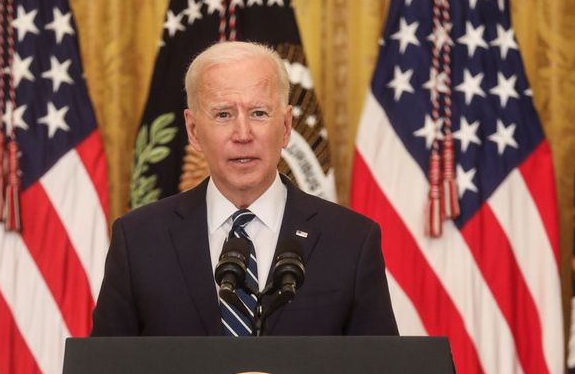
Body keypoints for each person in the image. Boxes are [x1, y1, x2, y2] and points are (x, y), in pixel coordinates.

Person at [91, 41, 397, 336]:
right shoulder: (139, 241)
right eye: (223, 114)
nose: (243, 134)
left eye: (259, 113)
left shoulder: (351, 241)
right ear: (194, 130)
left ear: (287, 126)